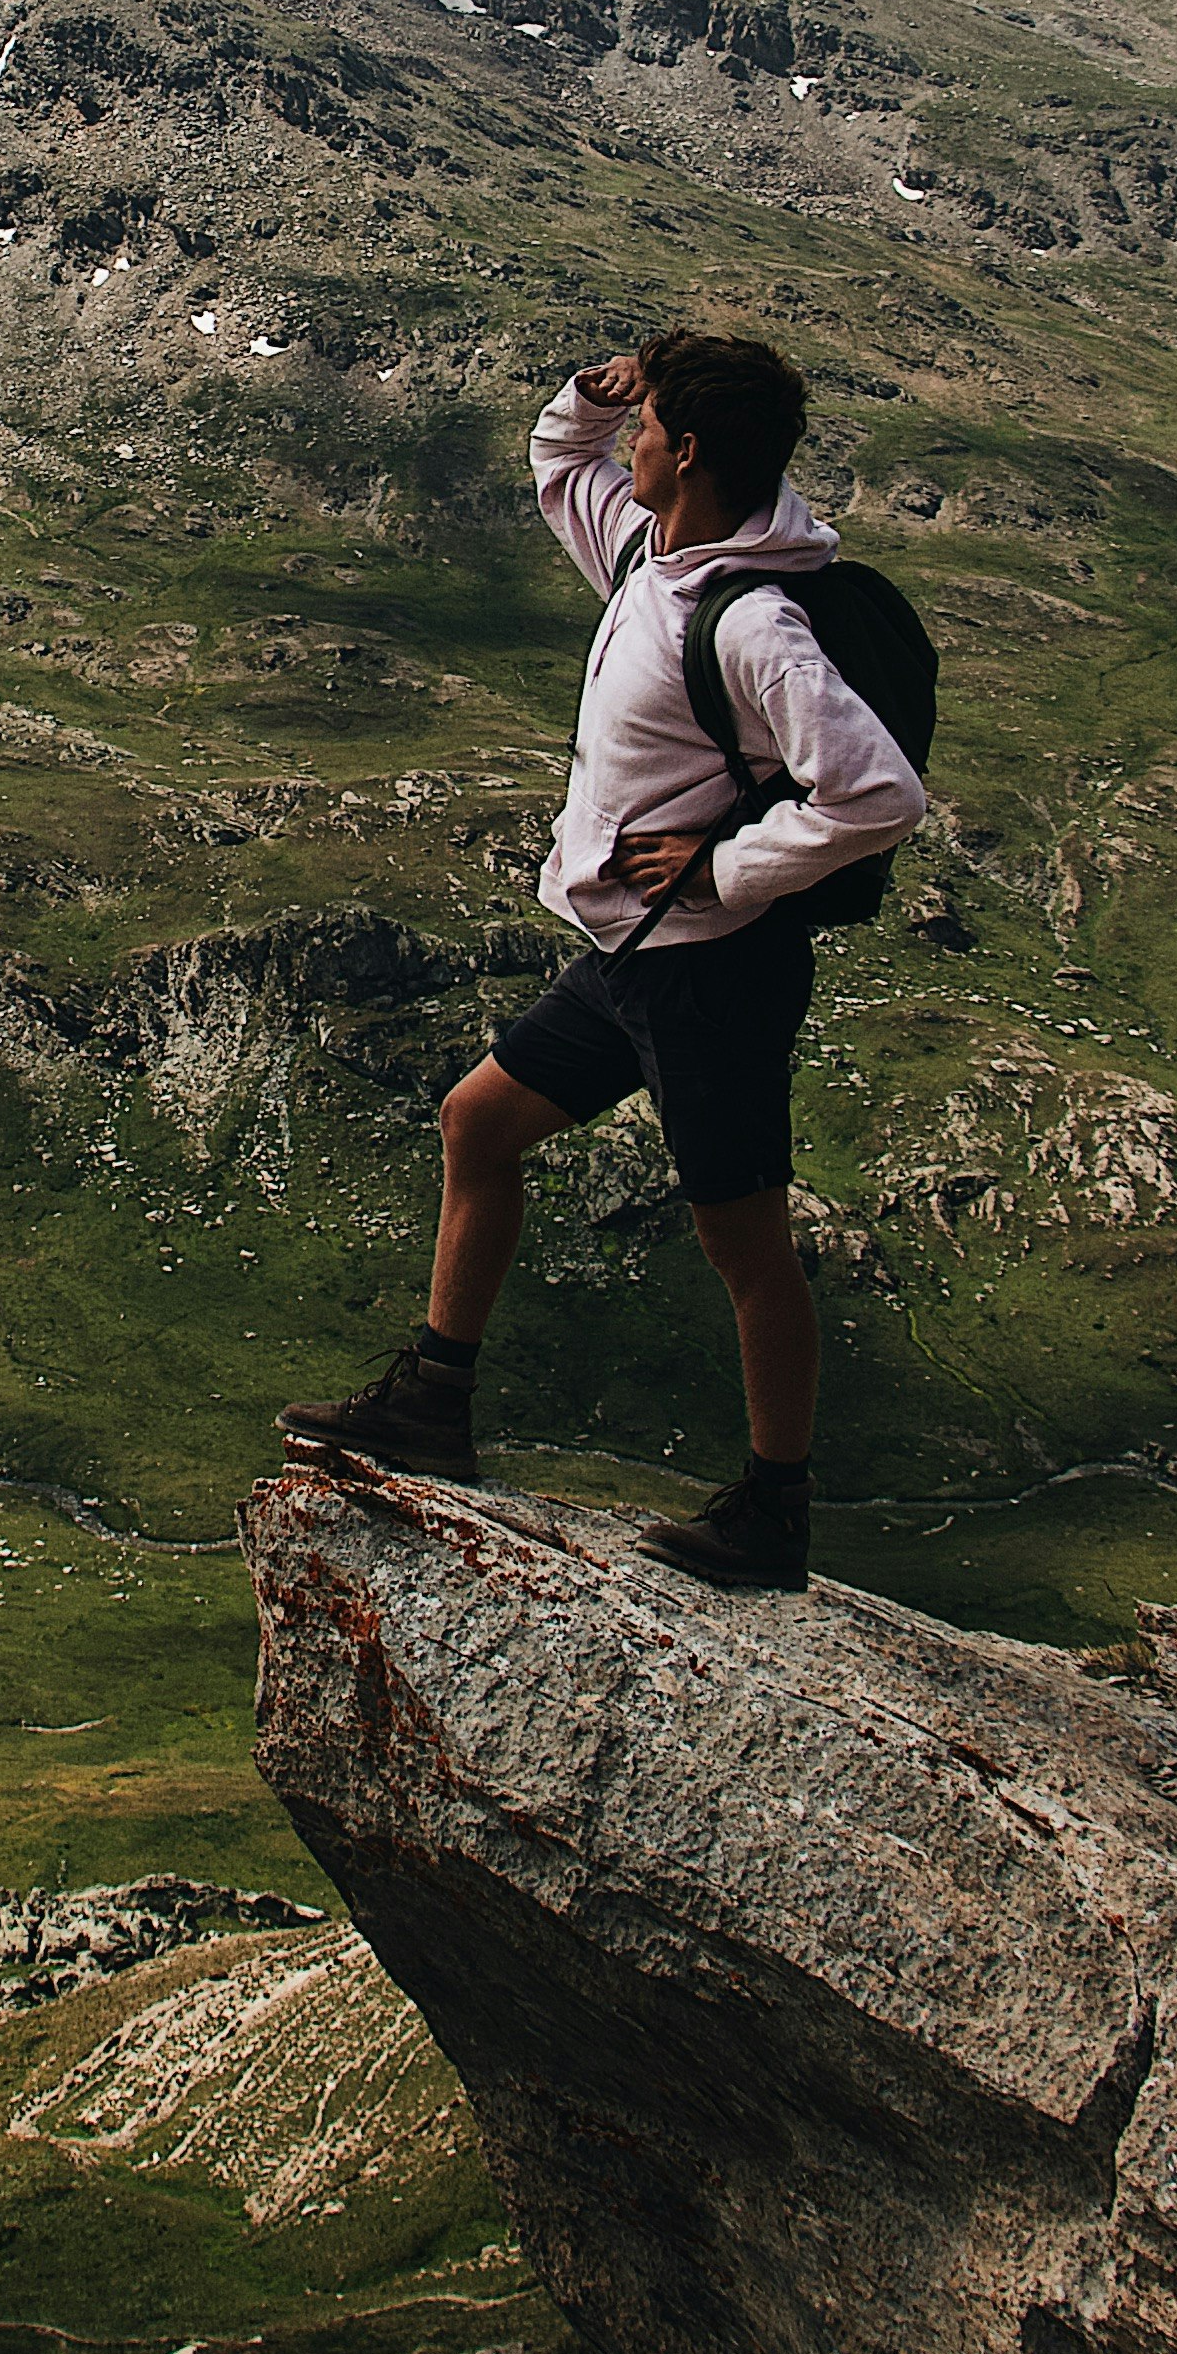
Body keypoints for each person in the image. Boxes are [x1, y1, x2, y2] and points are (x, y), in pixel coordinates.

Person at [280, 327, 926, 1591]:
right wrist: (599, 389)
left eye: (646, 427)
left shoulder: (754, 623)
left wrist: (720, 867)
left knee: (743, 1240)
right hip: (629, 959)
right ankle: (434, 1399)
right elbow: (553, 455)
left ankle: (773, 1509)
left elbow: (875, 794)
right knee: (478, 1122)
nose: (623, 441)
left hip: (711, 974)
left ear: (685, 453)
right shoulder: (650, 551)